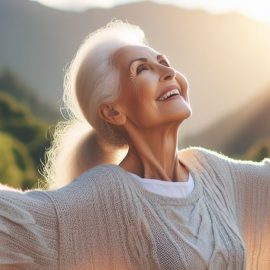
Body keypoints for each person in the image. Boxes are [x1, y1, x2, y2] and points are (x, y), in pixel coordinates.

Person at [0, 20, 269, 270]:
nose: (168, 71)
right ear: (113, 112)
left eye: (163, 61)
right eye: (142, 69)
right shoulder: (102, 198)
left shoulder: (218, 176)